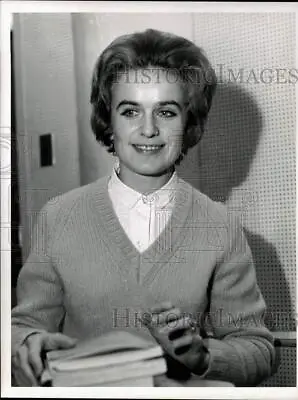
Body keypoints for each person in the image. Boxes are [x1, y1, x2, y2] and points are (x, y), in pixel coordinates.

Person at [11, 28, 276, 387]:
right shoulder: (58, 216)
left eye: (166, 112)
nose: (148, 129)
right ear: (109, 120)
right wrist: (26, 344)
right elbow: (23, 327)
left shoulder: (221, 226)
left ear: (189, 121)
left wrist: (205, 355)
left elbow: (259, 350)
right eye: (130, 110)